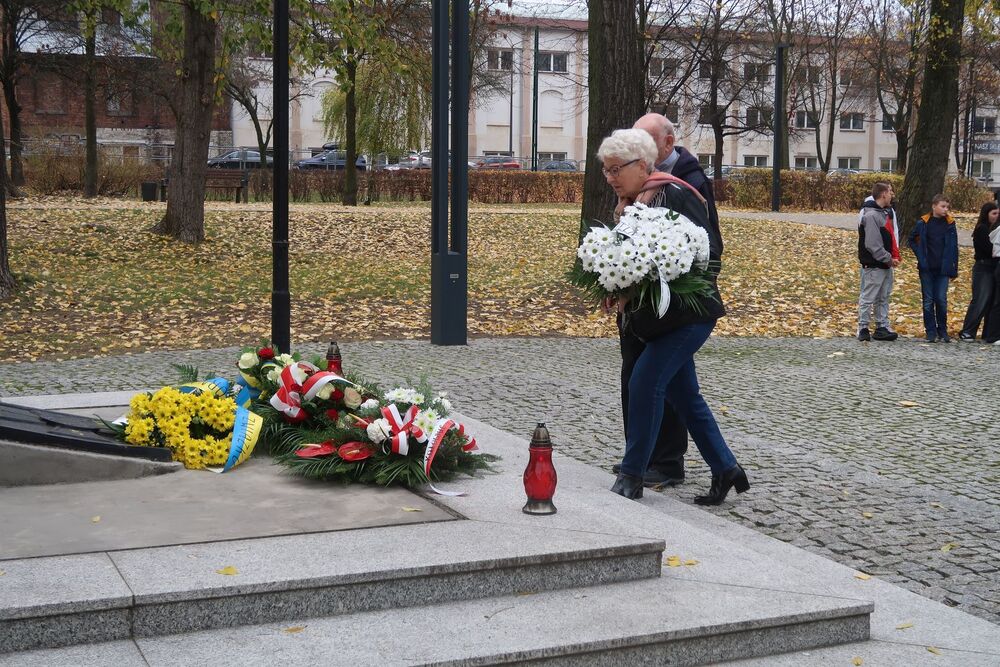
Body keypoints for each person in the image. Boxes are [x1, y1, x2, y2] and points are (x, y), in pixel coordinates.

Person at [598, 128, 748, 504]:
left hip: (687, 315)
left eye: (617, 169)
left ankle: (632, 476)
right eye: (606, 170)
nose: (610, 178)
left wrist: (664, 275)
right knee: (686, 397)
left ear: (642, 165)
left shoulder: (675, 194)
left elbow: (708, 251)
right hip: (655, 320)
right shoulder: (633, 203)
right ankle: (726, 469)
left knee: (645, 384)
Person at [908, 195, 959, 343]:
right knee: (928, 300)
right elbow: (912, 240)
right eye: (943, 206)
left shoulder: (950, 224)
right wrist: (921, 257)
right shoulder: (923, 223)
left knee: (941, 300)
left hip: (943, 268)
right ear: (934, 206)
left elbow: (954, 247)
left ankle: (942, 329)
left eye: (947, 207)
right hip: (927, 268)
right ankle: (930, 331)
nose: (945, 209)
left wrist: (954, 268)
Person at [857, 182, 901, 341]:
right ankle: (863, 327)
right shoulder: (871, 215)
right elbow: (872, 244)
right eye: (890, 191)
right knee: (868, 297)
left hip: (884, 264)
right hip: (875, 264)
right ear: (883, 194)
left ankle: (881, 326)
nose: (892, 194)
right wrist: (889, 258)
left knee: (883, 296)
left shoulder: (884, 213)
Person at [959, 202, 1000, 341]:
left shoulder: (994, 229)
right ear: (986, 214)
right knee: (981, 300)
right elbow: (989, 249)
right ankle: (968, 330)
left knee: (990, 302)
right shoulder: (982, 229)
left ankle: (988, 333)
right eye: (993, 214)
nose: (996, 216)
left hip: (992, 267)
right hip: (983, 267)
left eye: (998, 214)